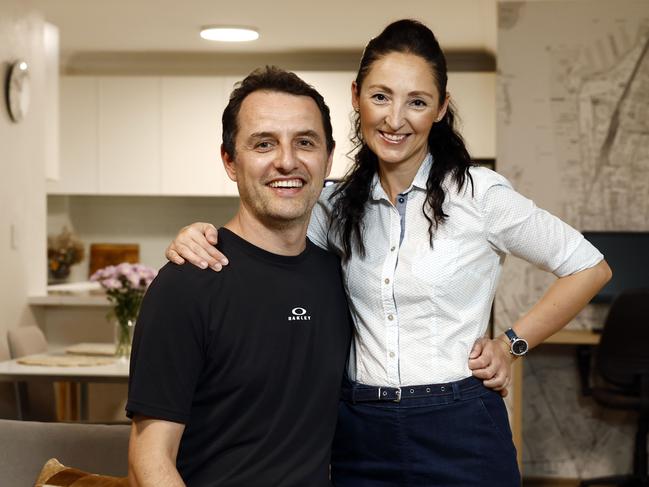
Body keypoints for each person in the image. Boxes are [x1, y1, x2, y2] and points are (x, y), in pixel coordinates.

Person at [165, 20, 612, 487]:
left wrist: (510, 344)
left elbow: (589, 267)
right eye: (381, 97)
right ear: (356, 95)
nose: (395, 119)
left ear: (440, 108)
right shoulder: (331, 205)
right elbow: (266, 231)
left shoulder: (479, 195)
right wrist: (199, 234)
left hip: (461, 424)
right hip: (359, 429)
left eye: (416, 102)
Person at [126, 66, 352, 487]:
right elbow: (148, 460)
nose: (287, 160)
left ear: (328, 158)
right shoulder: (188, 283)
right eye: (264, 143)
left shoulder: (339, 279)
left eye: (305, 142)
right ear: (230, 161)